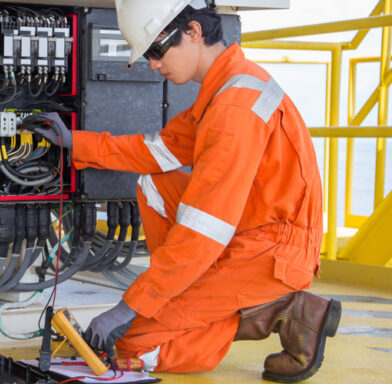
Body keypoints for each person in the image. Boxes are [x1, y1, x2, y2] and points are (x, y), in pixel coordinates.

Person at [22, 1, 341, 382]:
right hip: (248, 232)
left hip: (271, 253)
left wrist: (129, 308)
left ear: (193, 32)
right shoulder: (225, 88)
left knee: (129, 344)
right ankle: (193, 298)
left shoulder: (234, 109)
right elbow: (155, 152)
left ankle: (284, 311)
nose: (153, 64)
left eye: (156, 50)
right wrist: (76, 142)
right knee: (154, 181)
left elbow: (203, 230)